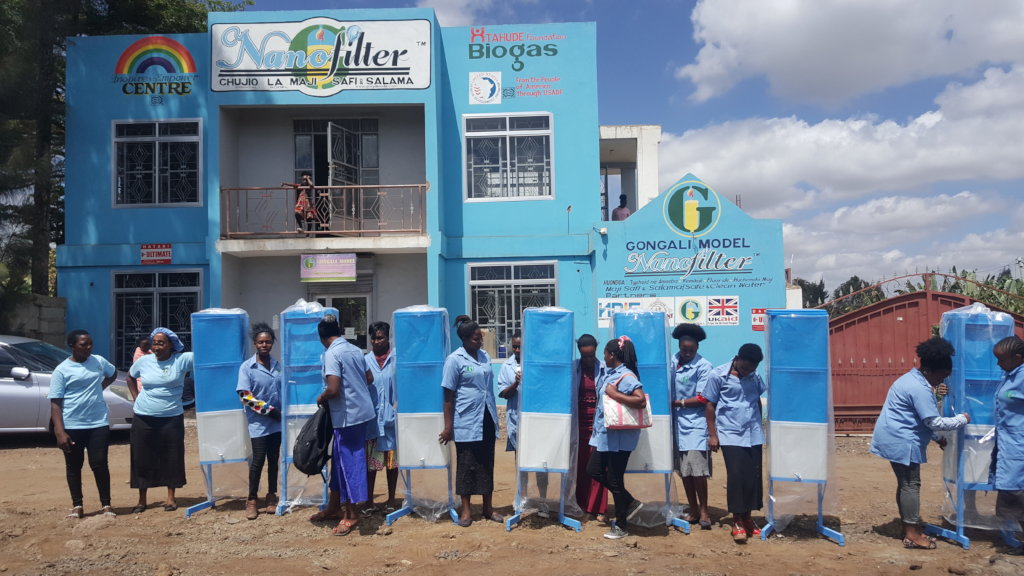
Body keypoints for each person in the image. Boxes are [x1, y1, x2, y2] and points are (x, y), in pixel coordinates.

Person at [869, 337, 970, 550]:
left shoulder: (911, 380)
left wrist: (936, 438)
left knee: (905, 484)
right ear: (934, 371)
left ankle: (909, 527)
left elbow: (917, 418)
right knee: (911, 484)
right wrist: (962, 419)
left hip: (895, 436)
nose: (942, 381)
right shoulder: (920, 388)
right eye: (943, 376)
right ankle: (912, 534)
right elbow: (933, 421)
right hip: (902, 441)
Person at [312, 314, 375, 536]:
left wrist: (321, 398)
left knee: (350, 464)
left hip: (348, 417)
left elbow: (333, 388)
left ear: (322, 338)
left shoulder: (332, 354)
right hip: (360, 414)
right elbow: (369, 378)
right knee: (339, 462)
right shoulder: (356, 350)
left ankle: (351, 514)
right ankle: (334, 506)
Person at [439, 315, 502, 527]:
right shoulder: (454, 360)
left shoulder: (484, 356)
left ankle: (487, 507)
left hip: (486, 417)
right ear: (465, 339)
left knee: (486, 462)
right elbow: (448, 395)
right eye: (476, 338)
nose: (480, 341)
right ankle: (466, 510)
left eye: (480, 337)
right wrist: (448, 427)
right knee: (466, 465)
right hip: (465, 419)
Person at [48, 330, 119, 518]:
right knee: (73, 465)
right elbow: (55, 402)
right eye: (83, 344)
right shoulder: (62, 370)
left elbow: (112, 374)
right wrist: (59, 431)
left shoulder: (98, 361)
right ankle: (77, 505)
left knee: (99, 463)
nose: (88, 347)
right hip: (72, 424)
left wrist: (100, 388)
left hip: (98, 422)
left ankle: (106, 505)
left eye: (90, 344)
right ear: (72, 346)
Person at [126, 328, 194, 513]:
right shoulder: (144, 361)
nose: (156, 346)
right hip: (143, 417)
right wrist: (136, 398)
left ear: (171, 344)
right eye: (155, 342)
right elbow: (130, 377)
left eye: (161, 343)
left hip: (171, 417)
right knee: (141, 457)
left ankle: (171, 498)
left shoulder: (181, 360)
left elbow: (206, 355)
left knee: (171, 456)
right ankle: (142, 500)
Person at [705, 343, 766, 542]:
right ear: (737, 358)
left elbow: (757, 400)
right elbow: (710, 405)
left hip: (753, 433)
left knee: (753, 476)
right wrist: (713, 435)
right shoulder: (718, 375)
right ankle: (737, 520)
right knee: (737, 476)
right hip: (730, 433)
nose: (748, 371)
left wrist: (760, 424)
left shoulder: (754, 376)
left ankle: (748, 517)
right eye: (746, 367)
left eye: (752, 368)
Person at [588, 335, 645, 539]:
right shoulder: (610, 373)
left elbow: (640, 401)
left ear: (612, 355)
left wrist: (614, 394)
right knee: (593, 470)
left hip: (620, 439)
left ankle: (621, 525)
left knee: (614, 479)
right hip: (605, 435)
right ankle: (629, 502)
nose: (603, 356)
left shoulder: (627, 376)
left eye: (605, 353)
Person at [497, 330, 549, 515]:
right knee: (522, 462)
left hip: (536, 423)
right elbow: (503, 394)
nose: (517, 350)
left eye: (521, 347)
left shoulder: (535, 366)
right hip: (517, 422)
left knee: (541, 463)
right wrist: (515, 384)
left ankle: (542, 501)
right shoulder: (507, 367)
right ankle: (524, 499)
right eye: (515, 347)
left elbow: (544, 391)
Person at [236, 322, 282, 520]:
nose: (265, 345)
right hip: (259, 423)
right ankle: (252, 499)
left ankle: (271, 496)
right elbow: (244, 395)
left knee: (274, 460)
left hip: (276, 423)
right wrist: (268, 410)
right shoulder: (247, 367)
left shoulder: (278, 365)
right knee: (258, 461)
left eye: (268, 342)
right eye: (261, 342)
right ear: (255, 343)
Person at [670, 323, 714, 530]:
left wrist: (680, 403)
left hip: (695, 424)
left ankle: (704, 510)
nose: (687, 353)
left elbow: (703, 397)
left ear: (697, 348)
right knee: (684, 470)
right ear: (679, 346)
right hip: (676, 425)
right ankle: (693, 508)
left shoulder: (704, 366)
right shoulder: (671, 362)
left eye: (691, 350)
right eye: (684, 349)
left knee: (698, 470)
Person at [991, 336, 1024, 555]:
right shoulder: (1009, 375)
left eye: (1002, 360)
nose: (998, 364)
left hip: (1019, 444)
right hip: (1008, 443)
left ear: (1018, 358)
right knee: (1013, 493)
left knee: (1018, 493)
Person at [362, 321, 399, 515]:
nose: (376, 341)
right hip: (372, 421)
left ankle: (391, 499)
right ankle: (368, 501)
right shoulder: (365, 361)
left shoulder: (396, 359)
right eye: (374, 338)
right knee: (371, 464)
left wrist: (396, 409)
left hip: (391, 421)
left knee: (392, 464)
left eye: (381, 337)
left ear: (388, 338)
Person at [573, 333, 609, 520]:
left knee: (598, 466)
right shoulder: (573, 368)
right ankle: (579, 503)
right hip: (578, 426)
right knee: (579, 466)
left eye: (591, 355)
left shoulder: (604, 369)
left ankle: (598, 508)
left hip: (598, 424)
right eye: (584, 355)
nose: (588, 359)